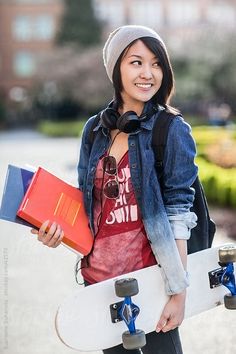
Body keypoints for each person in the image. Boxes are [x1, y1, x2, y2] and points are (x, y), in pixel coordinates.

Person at [31, 25, 198, 354]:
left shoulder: (171, 130)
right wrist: (55, 231)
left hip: (152, 282)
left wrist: (178, 292)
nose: (148, 73)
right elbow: (87, 207)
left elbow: (179, 213)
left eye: (156, 63)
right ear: (115, 69)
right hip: (102, 284)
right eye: (136, 62)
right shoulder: (94, 130)